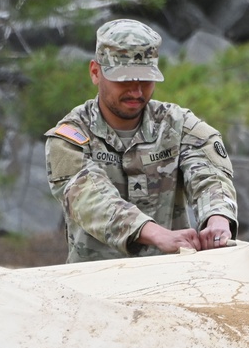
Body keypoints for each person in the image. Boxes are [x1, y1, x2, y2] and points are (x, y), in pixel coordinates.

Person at [45, 19, 238, 262]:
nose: (136, 92)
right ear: (95, 72)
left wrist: (217, 218)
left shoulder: (179, 126)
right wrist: (157, 234)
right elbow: (92, 199)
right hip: (95, 283)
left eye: (145, 80)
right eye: (124, 80)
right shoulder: (70, 137)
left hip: (170, 280)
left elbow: (210, 175)